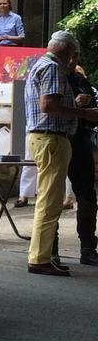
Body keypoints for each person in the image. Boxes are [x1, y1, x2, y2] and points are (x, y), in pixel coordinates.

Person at [23, 30, 98, 276]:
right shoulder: (53, 68)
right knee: (49, 203)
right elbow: (49, 106)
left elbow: (47, 104)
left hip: (43, 138)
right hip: (51, 139)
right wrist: (84, 114)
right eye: (73, 53)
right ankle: (40, 258)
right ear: (67, 51)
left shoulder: (39, 65)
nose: (73, 58)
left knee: (48, 200)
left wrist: (74, 106)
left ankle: (42, 255)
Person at [67, 63, 98, 266]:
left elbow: (94, 115)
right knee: (51, 197)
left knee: (87, 194)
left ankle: (87, 248)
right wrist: (77, 107)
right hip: (57, 138)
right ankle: (49, 250)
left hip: (81, 140)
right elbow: (47, 108)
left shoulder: (81, 82)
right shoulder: (51, 77)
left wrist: (88, 107)